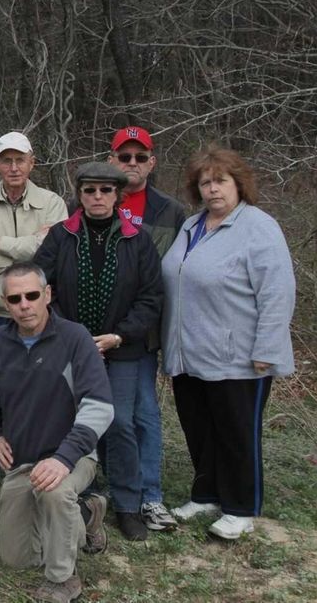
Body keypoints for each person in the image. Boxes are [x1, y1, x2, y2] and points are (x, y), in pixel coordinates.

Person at [161, 147, 295, 540]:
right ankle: (206, 494)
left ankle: (240, 507)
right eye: (205, 182)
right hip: (189, 354)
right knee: (199, 429)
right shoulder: (192, 226)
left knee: (237, 433)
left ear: (239, 185)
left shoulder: (258, 227)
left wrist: (266, 350)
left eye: (221, 181)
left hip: (238, 355)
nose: (213, 190)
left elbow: (277, 292)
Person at [33, 162, 163, 542]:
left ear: (118, 196)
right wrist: (66, 331)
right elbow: (41, 284)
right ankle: (80, 495)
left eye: (106, 191)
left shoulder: (138, 240)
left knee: (119, 422)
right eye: (90, 191)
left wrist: (118, 336)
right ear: (80, 195)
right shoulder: (61, 236)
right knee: (69, 422)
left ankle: (127, 504)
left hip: (121, 349)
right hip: (69, 346)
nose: (97, 198)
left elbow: (151, 297)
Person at [0, 264, 114, 603]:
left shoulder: (75, 338)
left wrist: (64, 458)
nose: (25, 304)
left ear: (47, 295)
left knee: (54, 492)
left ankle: (63, 580)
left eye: (32, 295)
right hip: (22, 460)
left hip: (74, 456)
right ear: (5, 304)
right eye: (15, 298)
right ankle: (86, 514)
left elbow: (101, 406)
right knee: (17, 559)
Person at [105, 125, 186, 532]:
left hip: (141, 332)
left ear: (152, 163)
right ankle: (108, 486)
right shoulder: (93, 197)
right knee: (102, 411)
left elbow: (173, 275)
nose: (132, 164)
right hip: (93, 332)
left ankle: (149, 495)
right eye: (124, 156)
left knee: (141, 413)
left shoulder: (170, 211)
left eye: (140, 157)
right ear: (112, 159)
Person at [0, 131, 68, 333]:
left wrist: (0, 244)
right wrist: (27, 259)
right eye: (6, 161)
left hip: (41, 314)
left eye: (20, 160)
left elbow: (56, 253)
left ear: (32, 163)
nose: (14, 168)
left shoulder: (52, 204)